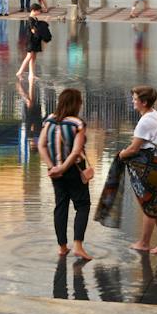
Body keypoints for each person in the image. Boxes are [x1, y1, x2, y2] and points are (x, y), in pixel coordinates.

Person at [115, 85, 157, 256]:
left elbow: (134, 149)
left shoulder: (145, 122)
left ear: (144, 102)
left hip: (149, 167)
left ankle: (144, 243)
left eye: (135, 99)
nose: (133, 101)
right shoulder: (154, 114)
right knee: (156, 205)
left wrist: (121, 154)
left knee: (148, 205)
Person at [40, 87, 91, 264]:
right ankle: (78, 246)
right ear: (76, 104)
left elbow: (41, 145)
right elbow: (76, 151)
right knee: (83, 205)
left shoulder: (49, 120)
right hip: (73, 169)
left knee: (60, 206)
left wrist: (52, 167)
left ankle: (62, 247)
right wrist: (63, 168)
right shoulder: (77, 124)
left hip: (55, 170)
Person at [17, 1, 52, 82]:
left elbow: (38, 26)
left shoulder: (35, 18)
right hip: (31, 41)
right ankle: (20, 72)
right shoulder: (30, 19)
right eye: (39, 11)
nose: (40, 12)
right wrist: (42, 31)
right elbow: (33, 30)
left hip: (35, 40)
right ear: (34, 10)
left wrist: (45, 22)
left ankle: (31, 75)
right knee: (29, 57)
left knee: (33, 58)